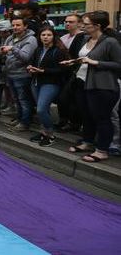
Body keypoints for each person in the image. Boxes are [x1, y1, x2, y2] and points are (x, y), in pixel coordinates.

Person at [65, 11, 121, 163]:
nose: (83, 26)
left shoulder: (110, 42)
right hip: (83, 83)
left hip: (102, 86)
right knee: (87, 116)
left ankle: (102, 150)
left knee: (102, 118)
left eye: (86, 24)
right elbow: (85, 58)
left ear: (97, 26)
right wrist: (74, 62)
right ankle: (87, 143)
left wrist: (96, 63)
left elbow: (118, 64)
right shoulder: (86, 39)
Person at [27, 27, 69, 147]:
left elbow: (63, 69)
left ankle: (50, 135)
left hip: (51, 83)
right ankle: (44, 132)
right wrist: (30, 67)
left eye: (49, 35)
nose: (45, 37)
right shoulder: (38, 50)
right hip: (36, 82)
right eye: (43, 35)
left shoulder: (59, 51)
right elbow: (33, 62)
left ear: (53, 36)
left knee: (41, 108)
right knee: (42, 110)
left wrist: (43, 70)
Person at [0, 17, 38, 132]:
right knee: (16, 99)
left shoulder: (31, 39)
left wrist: (12, 48)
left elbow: (25, 57)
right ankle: (20, 118)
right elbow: (4, 52)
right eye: (13, 25)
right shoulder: (10, 38)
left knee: (24, 100)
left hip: (22, 75)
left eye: (18, 25)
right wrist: (1, 51)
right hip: (10, 73)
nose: (15, 27)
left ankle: (25, 122)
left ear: (25, 26)